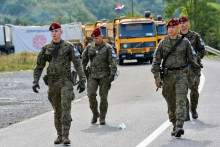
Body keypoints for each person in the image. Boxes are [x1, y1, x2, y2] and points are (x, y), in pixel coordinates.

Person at [32, 22, 86, 144]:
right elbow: (39, 66)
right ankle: (59, 134)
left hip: (66, 81)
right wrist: (35, 81)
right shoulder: (46, 48)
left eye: (56, 31)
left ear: (61, 32)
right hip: (52, 82)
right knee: (57, 110)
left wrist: (82, 80)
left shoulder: (69, 46)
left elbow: (77, 63)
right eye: (52, 31)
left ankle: (66, 135)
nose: (54, 33)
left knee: (65, 107)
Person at [151, 18, 200, 137]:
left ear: (178, 28)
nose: (171, 29)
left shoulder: (185, 42)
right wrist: (157, 78)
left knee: (181, 101)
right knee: (171, 103)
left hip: (182, 75)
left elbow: (193, 61)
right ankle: (174, 124)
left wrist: (197, 75)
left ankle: (179, 126)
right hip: (167, 77)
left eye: (173, 27)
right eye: (169, 27)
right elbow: (156, 63)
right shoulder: (163, 43)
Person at [82, 27, 117, 125]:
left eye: (97, 38)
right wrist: (82, 74)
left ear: (101, 36)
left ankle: (102, 117)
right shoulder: (89, 47)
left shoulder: (108, 47)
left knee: (103, 97)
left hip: (104, 75)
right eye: (94, 38)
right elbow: (83, 61)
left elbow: (113, 61)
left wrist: (113, 73)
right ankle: (95, 113)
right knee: (91, 94)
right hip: (92, 75)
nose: (95, 40)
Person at [179, 16, 205, 121]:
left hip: (193, 68)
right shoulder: (175, 37)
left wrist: (197, 59)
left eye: (184, 22)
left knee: (194, 89)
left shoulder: (195, 36)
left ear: (188, 23)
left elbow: (202, 50)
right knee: (182, 90)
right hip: (180, 68)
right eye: (180, 23)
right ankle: (186, 112)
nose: (182, 24)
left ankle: (193, 109)